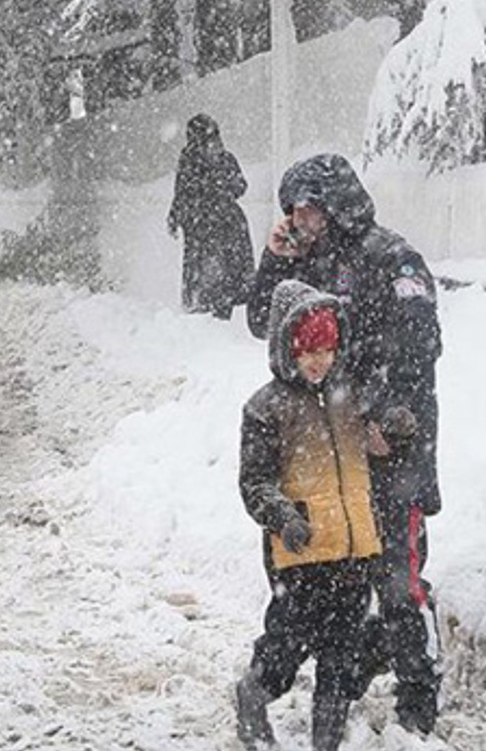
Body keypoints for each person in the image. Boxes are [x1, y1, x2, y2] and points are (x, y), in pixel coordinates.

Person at [246, 153, 442, 735]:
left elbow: (419, 349)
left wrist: (391, 421)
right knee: (336, 579)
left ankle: (417, 702)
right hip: (330, 456)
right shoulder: (306, 261)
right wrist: (274, 260)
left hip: (391, 452)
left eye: (303, 207)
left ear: (331, 204)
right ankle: (350, 673)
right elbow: (263, 322)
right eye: (291, 211)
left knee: (398, 581)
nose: (296, 219)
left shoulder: (391, 258)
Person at [235, 280, 383, 751]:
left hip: (354, 550)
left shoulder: (351, 398)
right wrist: (284, 518)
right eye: (307, 350)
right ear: (286, 348)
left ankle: (327, 743)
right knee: (286, 645)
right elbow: (255, 482)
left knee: (341, 656)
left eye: (327, 349)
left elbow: (374, 457)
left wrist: (392, 435)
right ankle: (254, 693)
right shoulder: (267, 407)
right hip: (301, 553)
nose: (319, 361)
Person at [166, 113, 255, 319]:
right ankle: (219, 311)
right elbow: (240, 187)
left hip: (203, 224)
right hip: (222, 221)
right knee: (227, 269)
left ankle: (206, 308)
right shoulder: (222, 157)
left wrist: (175, 216)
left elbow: (182, 192)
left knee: (208, 270)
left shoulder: (190, 159)